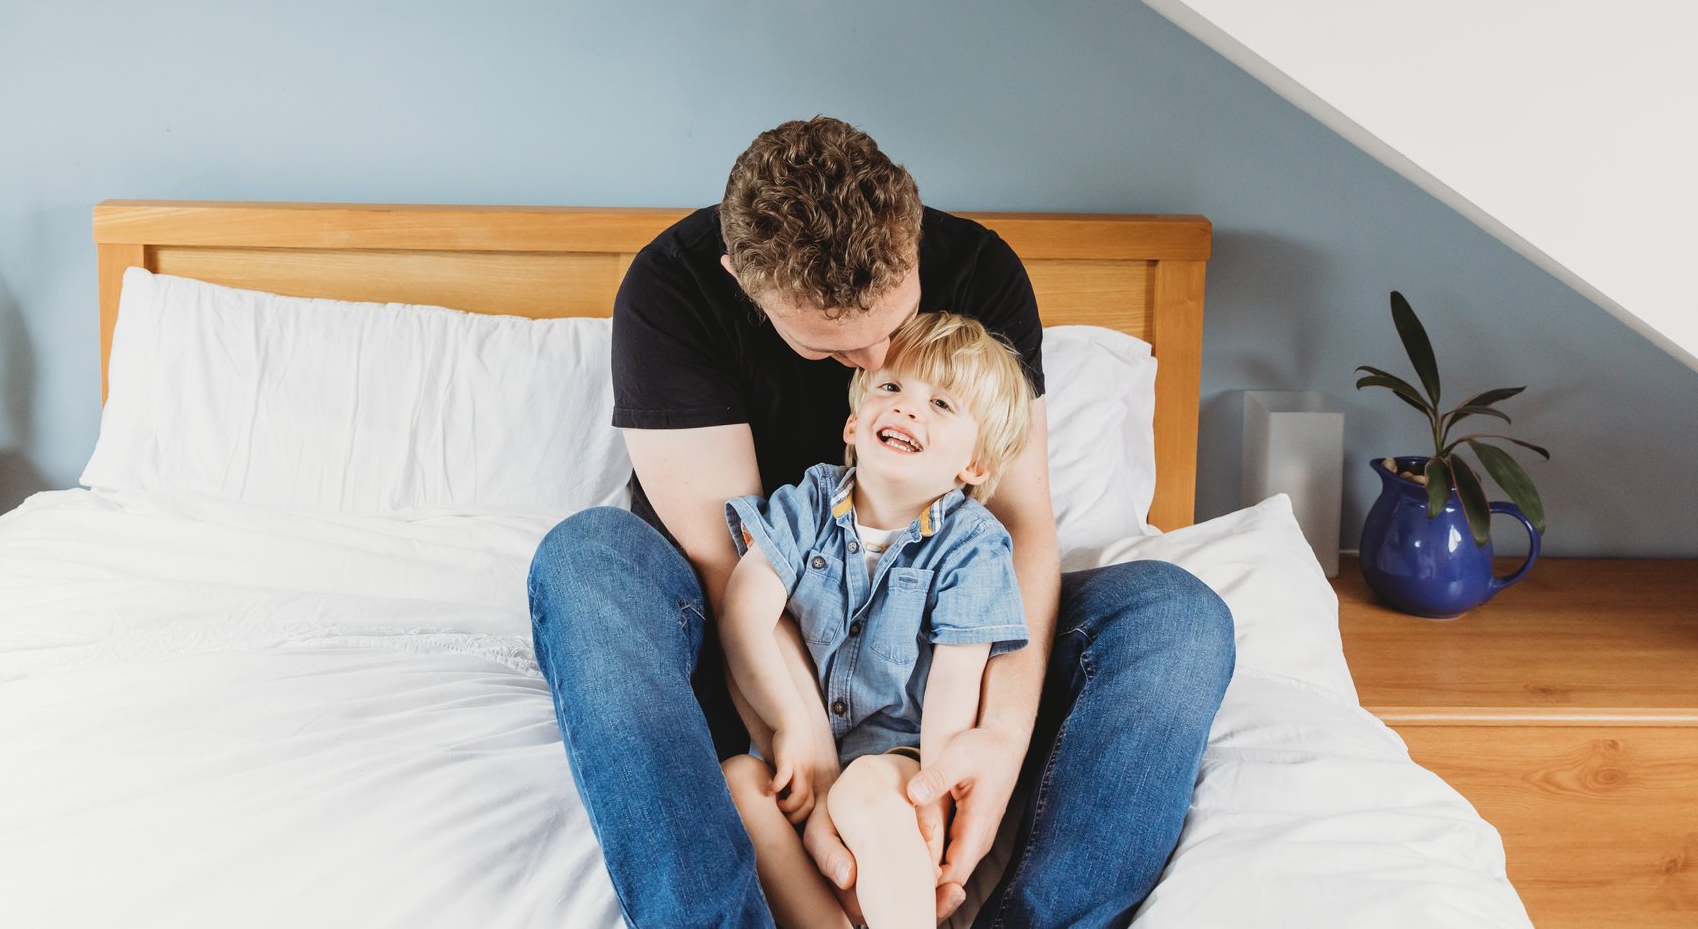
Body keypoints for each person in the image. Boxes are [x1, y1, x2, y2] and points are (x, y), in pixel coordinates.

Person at [528, 117, 1235, 929]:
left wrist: (996, 742)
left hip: (934, 649)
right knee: (583, 559)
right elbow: (733, 561)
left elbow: (1018, 524)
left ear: (912, 237)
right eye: (834, 352)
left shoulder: (978, 270)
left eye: (897, 331)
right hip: (744, 654)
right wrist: (816, 756)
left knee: (1177, 616)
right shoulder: (674, 292)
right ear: (742, 279)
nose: (877, 372)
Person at [719, 313, 1034, 929]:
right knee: (737, 781)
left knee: (866, 787)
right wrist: (787, 721)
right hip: (802, 757)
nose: (909, 409)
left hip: (899, 756)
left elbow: (954, 686)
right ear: (854, 422)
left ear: (973, 466)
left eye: (941, 403)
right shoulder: (807, 503)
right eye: (891, 389)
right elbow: (744, 612)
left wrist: (933, 801)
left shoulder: (972, 546)